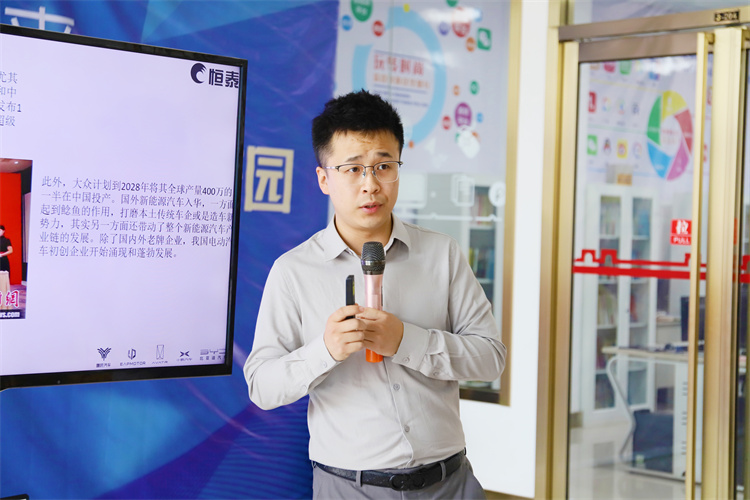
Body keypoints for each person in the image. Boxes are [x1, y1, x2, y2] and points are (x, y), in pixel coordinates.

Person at [244, 90, 506, 499]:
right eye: (352, 169)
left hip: (451, 483)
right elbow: (262, 386)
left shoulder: (442, 253)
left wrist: (406, 341)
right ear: (324, 179)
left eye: (384, 166)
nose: (370, 185)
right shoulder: (294, 271)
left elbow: (490, 358)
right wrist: (325, 351)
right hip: (350, 488)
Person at [0, 225, 13, 310]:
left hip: (3, 261)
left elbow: (11, 251)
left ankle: (4, 302)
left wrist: (2, 255)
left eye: (0, 230)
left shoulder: (6, 240)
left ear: (3, 231)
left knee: (3, 281)